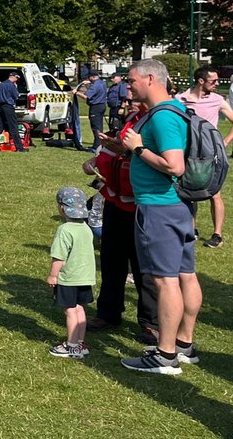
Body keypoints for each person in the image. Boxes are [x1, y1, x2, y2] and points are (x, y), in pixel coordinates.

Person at [120, 59, 201, 374]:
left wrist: (138, 149)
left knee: (165, 280)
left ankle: (165, 355)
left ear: (150, 79)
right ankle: (184, 345)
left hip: (160, 207)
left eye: (131, 80)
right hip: (178, 205)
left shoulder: (163, 116)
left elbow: (174, 166)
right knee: (185, 275)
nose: (128, 86)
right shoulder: (174, 111)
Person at [84, 104, 159, 344]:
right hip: (116, 200)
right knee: (111, 259)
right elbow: (114, 151)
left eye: (132, 89)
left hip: (144, 205)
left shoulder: (161, 119)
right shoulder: (132, 118)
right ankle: (108, 312)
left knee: (144, 266)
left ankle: (151, 322)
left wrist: (126, 151)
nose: (127, 97)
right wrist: (97, 159)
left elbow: (163, 160)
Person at [176, 66, 233, 248]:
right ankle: (192, 229)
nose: (217, 83)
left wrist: (224, 142)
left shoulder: (217, 100)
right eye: (214, 81)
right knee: (188, 190)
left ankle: (217, 235)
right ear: (201, 81)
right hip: (189, 152)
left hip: (211, 154)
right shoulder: (181, 99)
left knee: (214, 192)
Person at [47, 186, 96, 359]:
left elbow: (59, 257)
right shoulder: (86, 228)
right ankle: (81, 343)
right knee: (80, 309)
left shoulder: (64, 230)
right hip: (85, 277)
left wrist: (53, 275)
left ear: (62, 208)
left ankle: (72, 346)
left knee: (70, 311)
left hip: (69, 278)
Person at [0, 71, 27, 152]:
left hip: (1, 107)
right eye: (17, 78)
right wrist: (16, 87)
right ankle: (19, 148)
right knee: (13, 127)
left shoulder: (1, 84)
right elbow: (16, 96)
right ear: (13, 77)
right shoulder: (11, 85)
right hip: (8, 107)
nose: (17, 80)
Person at [77, 69, 108, 151]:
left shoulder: (95, 85)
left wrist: (76, 92)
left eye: (89, 77)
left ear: (93, 77)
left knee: (95, 127)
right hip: (102, 105)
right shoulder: (102, 83)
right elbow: (93, 92)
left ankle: (96, 146)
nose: (88, 79)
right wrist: (88, 85)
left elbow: (85, 96)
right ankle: (99, 144)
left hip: (95, 107)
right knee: (99, 126)